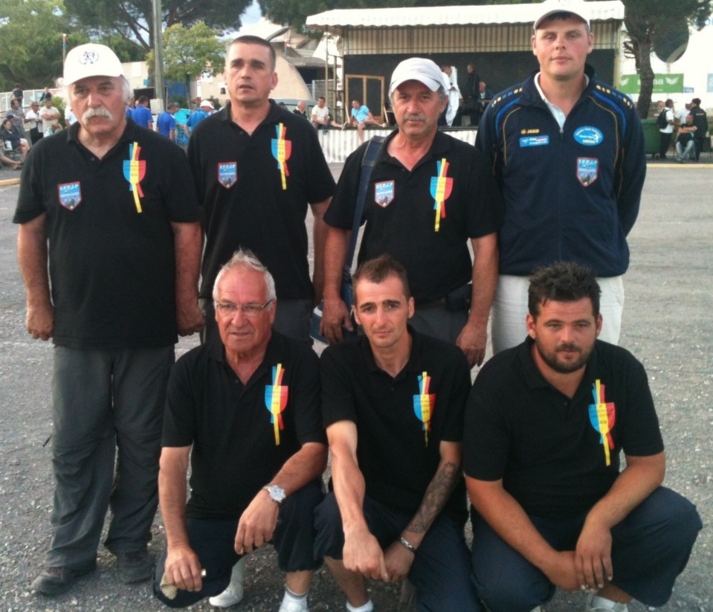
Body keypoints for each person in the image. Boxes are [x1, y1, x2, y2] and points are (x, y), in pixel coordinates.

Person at [13, 42, 203, 596]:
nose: (94, 100)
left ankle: (129, 544)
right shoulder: (47, 156)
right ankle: (69, 551)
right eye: (82, 90)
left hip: (148, 330)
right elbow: (30, 231)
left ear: (124, 93)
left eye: (104, 88)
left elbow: (187, 232)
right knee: (76, 441)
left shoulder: (162, 155)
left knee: (144, 441)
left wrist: (186, 301)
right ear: (67, 100)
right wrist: (37, 301)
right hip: (77, 330)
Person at [463, 261, 702, 612]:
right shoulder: (497, 383)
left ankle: (608, 600)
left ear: (598, 324)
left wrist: (600, 520)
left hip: (596, 503)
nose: (567, 339)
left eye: (581, 325)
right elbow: (484, 488)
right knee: (505, 591)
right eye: (554, 325)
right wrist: (550, 562)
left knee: (677, 520)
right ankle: (532, 588)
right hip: (525, 515)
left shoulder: (623, 370)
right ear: (531, 325)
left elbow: (649, 465)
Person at [153, 249, 326, 611]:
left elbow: (315, 449)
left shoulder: (300, 361)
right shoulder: (190, 371)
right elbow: (171, 462)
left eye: (251, 307)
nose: (238, 319)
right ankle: (232, 560)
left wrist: (271, 493)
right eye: (228, 306)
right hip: (215, 506)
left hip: (283, 501)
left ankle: (296, 596)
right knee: (170, 588)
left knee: (307, 504)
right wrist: (177, 545)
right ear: (214, 311)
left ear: (272, 311)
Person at [475, 0, 646, 353]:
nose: (560, 45)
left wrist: (596, 235)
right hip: (518, 277)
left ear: (590, 42)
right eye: (550, 36)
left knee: (593, 383)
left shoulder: (618, 111)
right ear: (533, 44)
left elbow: (625, 195)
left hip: (596, 273)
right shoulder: (503, 112)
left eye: (572, 34)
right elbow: (486, 199)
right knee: (517, 385)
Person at [314, 255, 482, 612]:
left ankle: (416, 574)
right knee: (330, 521)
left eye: (391, 305)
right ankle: (359, 604)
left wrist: (408, 544)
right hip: (371, 502)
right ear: (356, 314)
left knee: (458, 607)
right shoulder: (339, 363)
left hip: (431, 515)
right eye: (369, 308)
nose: (380, 319)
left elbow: (451, 461)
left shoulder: (447, 364)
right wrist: (356, 528)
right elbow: (341, 450)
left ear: (410, 307)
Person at [322, 57, 502, 367]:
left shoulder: (467, 163)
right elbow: (338, 230)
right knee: (377, 407)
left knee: (443, 410)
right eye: (404, 97)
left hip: (443, 318)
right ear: (392, 102)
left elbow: (486, 248)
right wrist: (331, 298)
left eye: (425, 96)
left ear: (443, 102)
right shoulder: (365, 161)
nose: (413, 107)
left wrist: (476, 323)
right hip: (379, 316)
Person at [188, 35, 335, 345]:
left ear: (273, 79)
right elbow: (189, 226)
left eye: (257, 65)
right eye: (237, 64)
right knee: (225, 389)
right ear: (225, 75)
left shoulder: (299, 133)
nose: (245, 73)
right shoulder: (204, 137)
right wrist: (191, 293)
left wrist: (322, 282)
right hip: (222, 297)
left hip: (288, 294)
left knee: (287, 388)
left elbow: (325, 210)